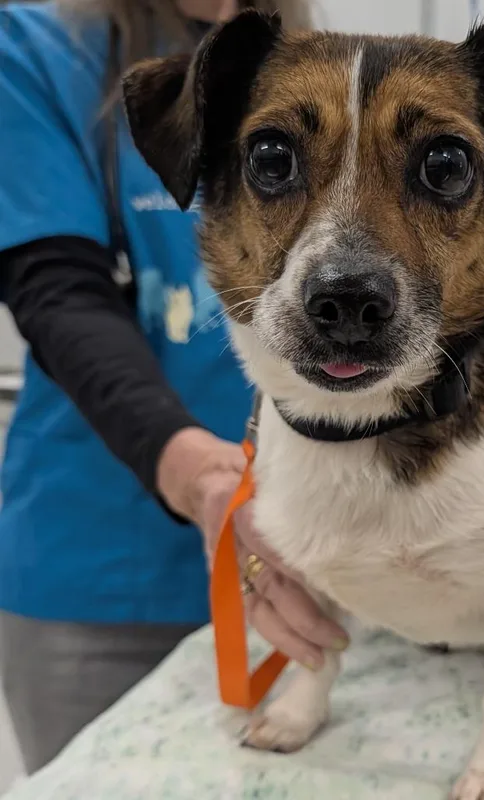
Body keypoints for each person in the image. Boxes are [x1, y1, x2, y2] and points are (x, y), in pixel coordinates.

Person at [0, 0, 349, 774]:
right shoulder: (35, 47)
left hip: (306, 559)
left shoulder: (321, 67)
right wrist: (204, 479)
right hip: (101, 576)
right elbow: (58, 293)